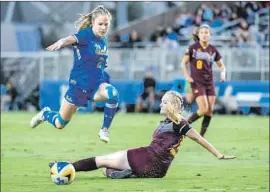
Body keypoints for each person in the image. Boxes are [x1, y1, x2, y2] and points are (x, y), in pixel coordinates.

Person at [49, 91, 235, 179]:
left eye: (163, 102)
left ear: (171, 106)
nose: (160, 105)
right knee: (106, 170)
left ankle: (65, 167)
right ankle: (128, 174)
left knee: (101, 161)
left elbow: (199, 139)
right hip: (157, 171)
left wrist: (218, 154)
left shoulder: (180, 123)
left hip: (146, 158)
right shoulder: (170, 123)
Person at [30, 5, 118, 143]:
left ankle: (104, 129)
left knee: (113, 94)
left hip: (96, 84)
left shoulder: (104, 40)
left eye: (106, 24)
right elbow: (70, 39)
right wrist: (61, 42)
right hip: (78, 85)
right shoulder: (86, 34)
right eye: (100, 24)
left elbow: (100, 61)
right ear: (93, 23)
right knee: (60, 123)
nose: (103, 27)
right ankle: (46, 114)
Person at [181, 24, 226, 137]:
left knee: (209, 111)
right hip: (197, 82)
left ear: (210, 35)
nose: (204, 35)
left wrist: (223, 74)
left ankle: (201, 137)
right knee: (203, 109)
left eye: (206, 32)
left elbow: (221, 66)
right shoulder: (193, 48)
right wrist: (187, 76)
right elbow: (183, 63)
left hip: (209, 82)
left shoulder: (213, 50)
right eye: (202, 32)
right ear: (198, 34)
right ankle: (183, 125)